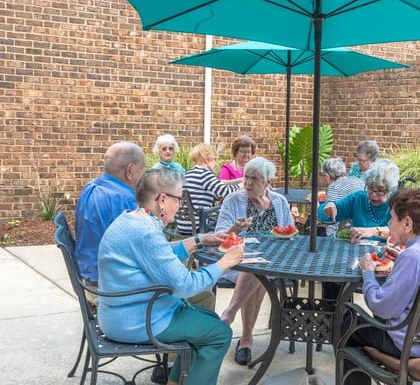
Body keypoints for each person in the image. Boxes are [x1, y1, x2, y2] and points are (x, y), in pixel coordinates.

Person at [97, 169, 243, 385]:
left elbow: (159, 255)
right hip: (137, 320)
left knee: (209, 319)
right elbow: (184, 285)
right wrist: (226, 263)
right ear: (162, 200)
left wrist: (199, 240)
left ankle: (174, 382)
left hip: (124, 312)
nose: (181, 205)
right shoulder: (145, 232)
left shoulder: (132, 219)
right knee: (219, 334)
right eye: (179, 199)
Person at [343, 187, 420, 385]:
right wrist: (402, 259)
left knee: (346, 326)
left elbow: (382, 307)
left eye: (392, 219)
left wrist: (367, 273)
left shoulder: (414, 255)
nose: (390, 224)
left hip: (418, 345)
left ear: (407, 223)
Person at [215, 157, 294, 366]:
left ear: (267, 182)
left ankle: (230, 314)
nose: (248, 183)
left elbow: (291, 232)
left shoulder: (279, 202)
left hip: (274, 262)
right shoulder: (234, 200)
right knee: (256, 271)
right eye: (246, 177)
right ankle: (246, 339)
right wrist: (235, 229)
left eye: (255, 179)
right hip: (238, 262)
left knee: (259, 270)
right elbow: (218, 236)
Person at [75, 141, 146, 300]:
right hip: (111, 286)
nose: (143, 175)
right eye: (142, 169)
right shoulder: (125, 200)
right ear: (129, 170)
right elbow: (143, 249)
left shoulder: (89, 188)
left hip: (90, 276)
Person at [318, 158, 399, 243]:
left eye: (380, 190)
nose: (374, 195)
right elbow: (325, 215)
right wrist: (328, 208)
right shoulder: (358, 199)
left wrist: (371, 231)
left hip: (388, 253)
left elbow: (402, 233)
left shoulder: (398, 204)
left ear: (390, 190)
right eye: (370, 188)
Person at [176, 143, 240, 236]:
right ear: (207, 159)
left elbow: (211, 192)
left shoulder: (189, 173)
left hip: (183, 225)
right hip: (199, 225)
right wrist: (241, 186)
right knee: (228, 217)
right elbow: (226, 192)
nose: (216, 162)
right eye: (214, 159)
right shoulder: (205, 174)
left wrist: (235, 182)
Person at [320, 157, 365, 237]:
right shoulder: (358, 180)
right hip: (364, 228)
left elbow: (330, 219)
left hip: (346, 233)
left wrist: (316, 203)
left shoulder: (334, 187)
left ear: (328, 176)